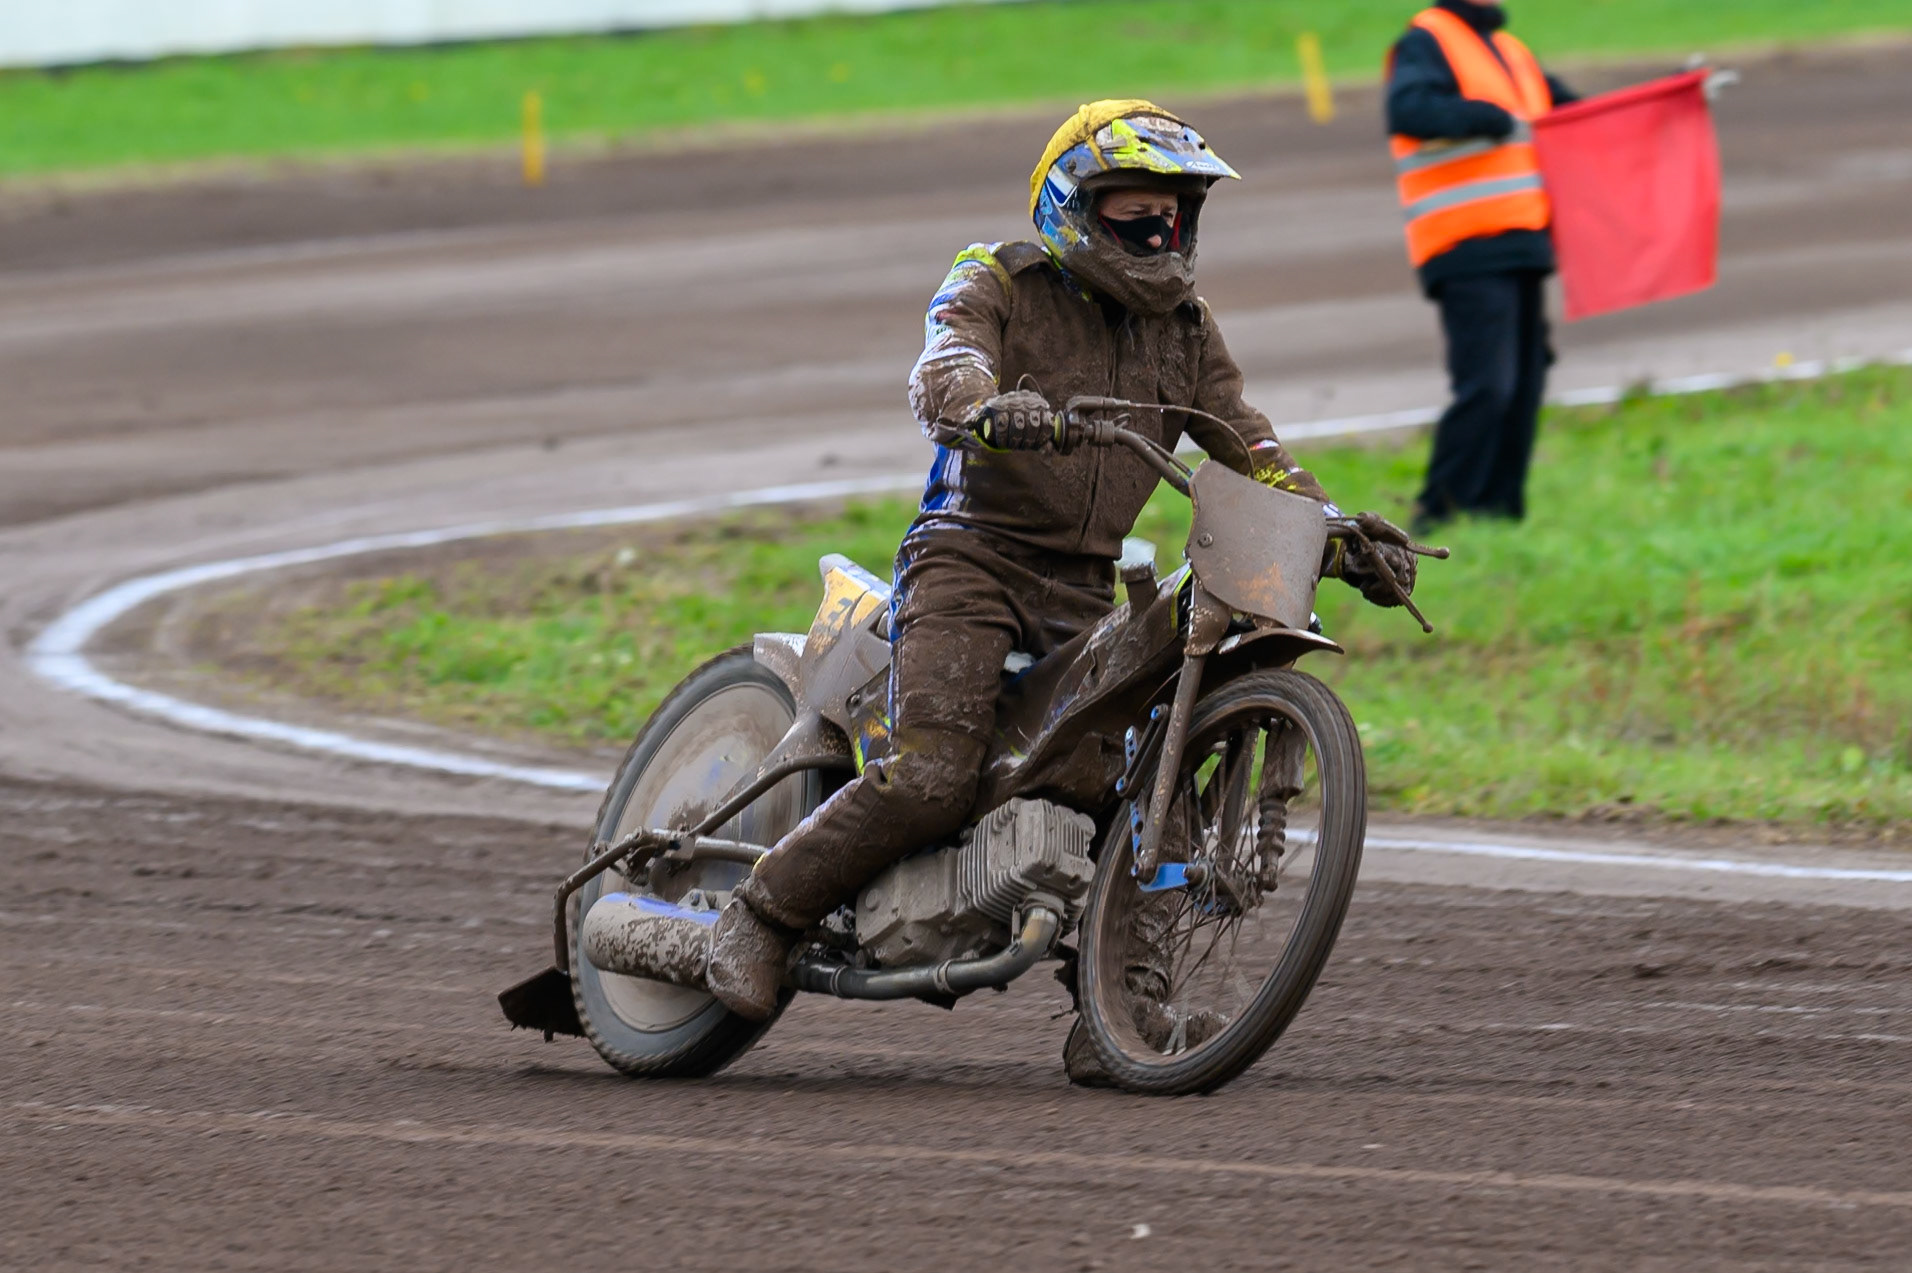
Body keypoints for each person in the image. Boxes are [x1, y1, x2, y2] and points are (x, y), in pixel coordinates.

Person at [702, 100, 1417, 1074]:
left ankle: (1116, 1004)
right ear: (1071, 206)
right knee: (934, 773)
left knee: (1135, 772)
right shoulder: (996, 277)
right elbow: (942, 366)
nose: (1157, 234)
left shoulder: (1186, 335)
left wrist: (1334, 533)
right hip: (970, 559)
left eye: (1173, 216)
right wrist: (989, 410)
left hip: (1083, 591)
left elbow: (1251, 449)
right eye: (1133, 216)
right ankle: (762, 910)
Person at [1386, 0, 1577, 532]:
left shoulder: (1511, 52)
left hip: (1522, 242)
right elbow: (1409, 110)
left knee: (1526, 383)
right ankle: (1437, 513)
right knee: (1489, 386)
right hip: (1466, 245)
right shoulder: (1427, 40)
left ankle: (1498, 512)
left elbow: (1579, 114)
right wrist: (1484, 118)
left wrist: (1673, 95)